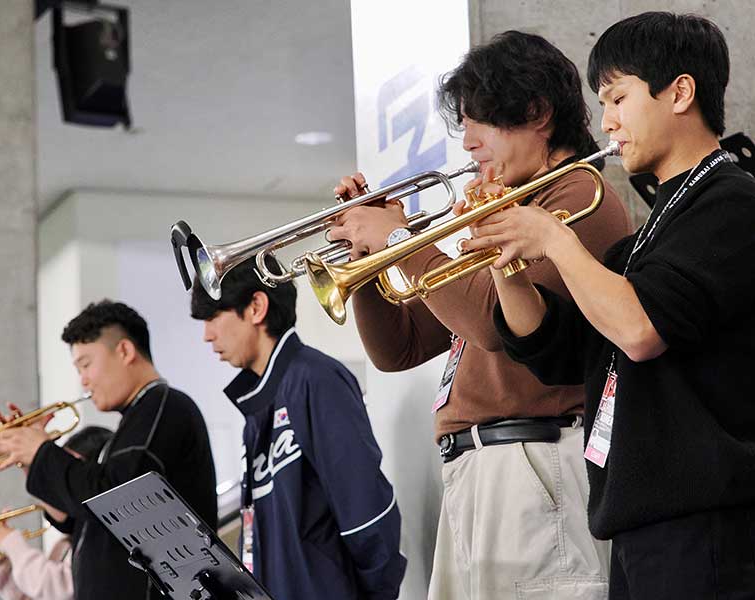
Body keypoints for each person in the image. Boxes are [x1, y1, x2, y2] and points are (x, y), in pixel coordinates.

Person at [463, 12, 755, 599]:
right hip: (642, 526)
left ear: (679, 92)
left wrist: (551, 237)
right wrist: (506, 265)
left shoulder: (732, 202)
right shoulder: (652, 233)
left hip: (706, 527)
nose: (607, 122)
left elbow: (641, 329)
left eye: (618, 97)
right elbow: (559, 352)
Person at [329, 31, 631, 599]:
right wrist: (368, 259)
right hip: (481, 471)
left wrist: (400, 237)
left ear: (537, 113)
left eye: (480, 122)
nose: (467, 144)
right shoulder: (512, 205)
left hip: (536, 463)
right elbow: (399, 349)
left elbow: (495, 325)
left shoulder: (575, 195)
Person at [190, 255, 406, 600]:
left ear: (256, 307)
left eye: (213, 317)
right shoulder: (259, 402)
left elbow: (366, 511)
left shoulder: (317, 380)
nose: (206, 335)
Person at [0, 300, 218, 600]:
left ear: (124, 351)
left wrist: (43, 454)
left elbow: (118, 498)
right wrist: (30, 462)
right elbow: (88, 520)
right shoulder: (135, 421)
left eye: (86, 364)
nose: (83, 380)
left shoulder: (163, 406)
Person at [0, 426, 112, 600]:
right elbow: (28, 596)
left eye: (61, 479)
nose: (53, 490)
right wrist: (3, 563)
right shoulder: (63, 545)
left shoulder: (101, 539)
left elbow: (56, 590)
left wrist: (9, 541)